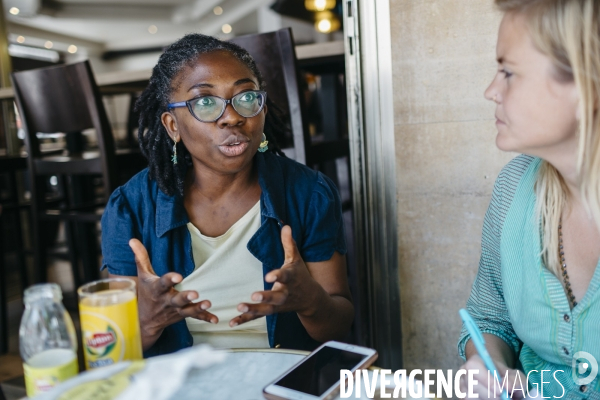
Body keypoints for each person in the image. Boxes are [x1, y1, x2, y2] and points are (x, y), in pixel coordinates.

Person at [100, 33, 354, 357]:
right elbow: (111, 349)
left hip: (279, 381)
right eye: (205, 102)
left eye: (246, 97)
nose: (233, 116)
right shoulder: (130, 208)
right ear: (172, 125)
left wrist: (311, 302)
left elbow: (338, 324)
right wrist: (147, 323)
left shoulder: (310, 194)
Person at [458, 0, 600, 398]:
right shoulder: (513, 187)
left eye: (508, 71)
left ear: (586, 84)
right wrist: (489, 366)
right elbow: (489, 320)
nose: (491, 91)